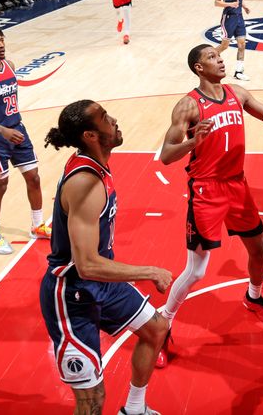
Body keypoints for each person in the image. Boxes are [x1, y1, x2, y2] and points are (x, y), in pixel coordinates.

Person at [157, 44, 263, 361]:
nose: (219, 59)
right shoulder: (188, 106)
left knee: (258, 250)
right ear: (199, 68)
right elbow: (165, 156)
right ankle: (162, 323)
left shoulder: (237, 93)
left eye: (219, 55)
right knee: (197, 271)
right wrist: (192, 142)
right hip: (206, 191)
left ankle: (253, 298)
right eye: (211, 57)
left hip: (237, 186)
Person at [40, 100, 173, 415]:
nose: (114, 120)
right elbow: (86, 265)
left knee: (156, 329)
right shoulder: (85, 182)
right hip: (72, 292)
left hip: (99, 282)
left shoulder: (96, 165)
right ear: (90, 135)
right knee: (92, 401)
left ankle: (135, 409)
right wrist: (149, 271)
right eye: (104, 118)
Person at [0, 26, 51, 254]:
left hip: (17, 129)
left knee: (33, 178)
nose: (1, 44)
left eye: (2, 40)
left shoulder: (10, 66)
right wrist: (3, 131)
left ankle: (38, 225)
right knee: (0, 184)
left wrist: (10, 127)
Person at [214, 0, 251, 81]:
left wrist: (244, 7)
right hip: (228, 18)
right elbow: (216, 2)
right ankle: (207, 59)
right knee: (225, 45)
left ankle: (238, 72)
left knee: (242, 44)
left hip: (239, 17)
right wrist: (229, 4)